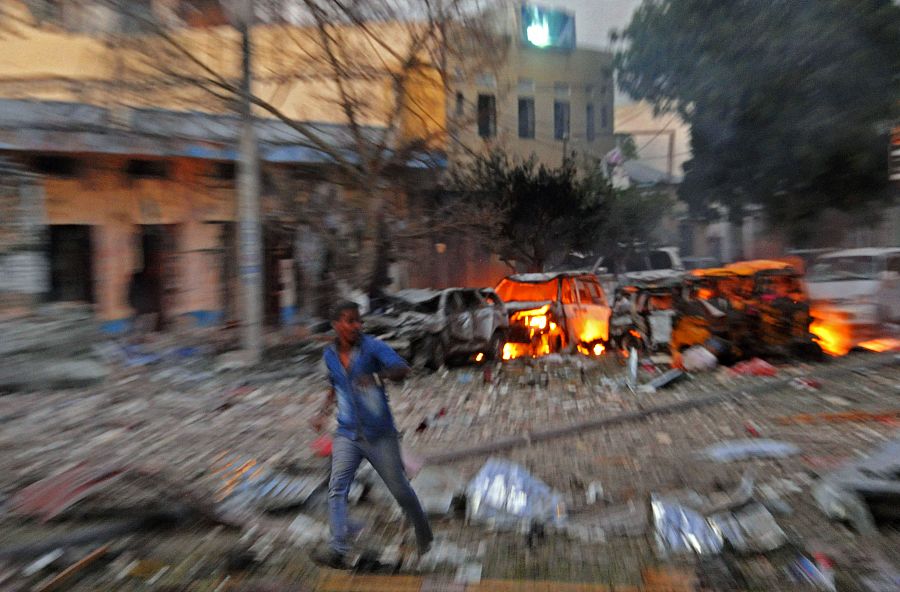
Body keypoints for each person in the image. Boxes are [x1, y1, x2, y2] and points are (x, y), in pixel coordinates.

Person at [310, 301, 433, 569]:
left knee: (399, 489)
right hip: (347, 434)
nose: (357, 326)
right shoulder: (330, 355)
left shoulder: (372, 347)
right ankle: (338, 549)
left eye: (358, 321)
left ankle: (424, 532)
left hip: (379, 435)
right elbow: (334, 386)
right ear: (336, 325)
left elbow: (403, 369)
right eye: (350, 321)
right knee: (337, 489)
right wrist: (322, 414)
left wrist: (376, 378)